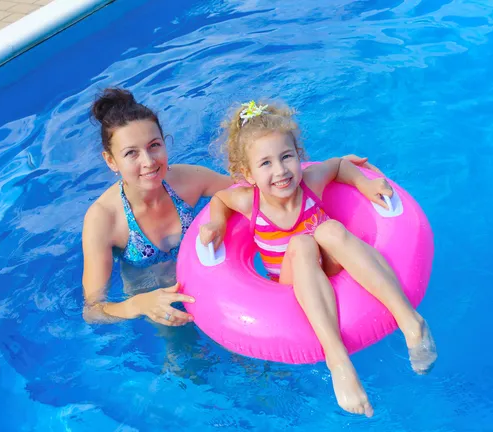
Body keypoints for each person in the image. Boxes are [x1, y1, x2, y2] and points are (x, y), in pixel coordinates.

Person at [199, 100, 438, 417]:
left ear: (299, 155)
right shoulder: (247, 201)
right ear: (248, 174)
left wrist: (364, 184)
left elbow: (339, 165)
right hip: (291, 282)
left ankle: (411, 321)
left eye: (286, 157)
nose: (281, 170)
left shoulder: (311, 183)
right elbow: (219, 199)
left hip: (328, 262)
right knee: (301, 245)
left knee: (329, 231)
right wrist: (216, 223)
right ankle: (338, 359)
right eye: (266, 163)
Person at [81, 89, 379, 329]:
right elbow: (93, 310)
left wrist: (334, 169)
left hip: (212, 288)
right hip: (158, 303)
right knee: (184, 369)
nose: (148, 161)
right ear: (111, 161)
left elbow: (261, 182)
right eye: (131, 153)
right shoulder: (103, 219)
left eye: (154, 145)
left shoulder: (188, 180)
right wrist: (139, 305)